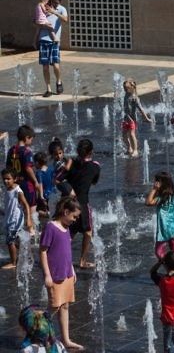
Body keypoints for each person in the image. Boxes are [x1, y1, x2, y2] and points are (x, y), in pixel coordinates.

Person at [39, 196, 83, 350]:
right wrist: (47, 275)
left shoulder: (66, 228)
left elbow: (67, 251)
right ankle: (38, 333)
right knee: (53, 307)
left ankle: (66, 339)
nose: (75, 220)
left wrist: (71, 269)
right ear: (65, 212)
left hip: (66, 274)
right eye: (74, 216)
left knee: (65, 306)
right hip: (55, 275)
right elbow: (43, 252)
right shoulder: (51, 227)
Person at [61, 139, 100, 269]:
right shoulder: (95, 166)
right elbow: (94, 182)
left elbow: (58, 179)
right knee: (88, 231)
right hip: (82, 203)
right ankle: (82, 260)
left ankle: (60, 259)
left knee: (69, 232)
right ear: (91, 152)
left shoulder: (71, 163)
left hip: (68, 203)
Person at [145, 171, 174, 260]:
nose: (154, 183)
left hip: (164, 229)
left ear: (160, 183)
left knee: (158, 252)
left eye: (156, 181)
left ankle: (169, 265)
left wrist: (154, 189)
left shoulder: (162, 198)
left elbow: (148, 202)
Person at [37, 0, 68, 98]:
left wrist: (54, 12)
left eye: (56, 2)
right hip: (43, 39)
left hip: (55, 40)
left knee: (55, 65)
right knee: (45, 66)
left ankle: (59, 81)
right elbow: (35, 20)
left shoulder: (62, 9)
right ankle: (48, 89)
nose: (54, 3)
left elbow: (65, 20)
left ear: (60, 1)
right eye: (53, 1)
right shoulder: (44, 6)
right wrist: (40, 23)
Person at [2, 168, 32, 269]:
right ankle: (25, 254)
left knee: (10, 241)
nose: (5, 181)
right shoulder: (8, 189)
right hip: (9, 218)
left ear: (15, 179)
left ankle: (13, 262)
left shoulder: (18, 191)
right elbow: (9, 205)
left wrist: (29, 220)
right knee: (14, 240)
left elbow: (26, 205)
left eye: (8, 179)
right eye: (4, 179)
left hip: (15, 220)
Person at [6, 125, 39, 216]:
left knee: (19, 207)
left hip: (16, 183)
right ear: (26, 138)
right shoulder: (26, 152)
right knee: (31, 207)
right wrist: (35, 181)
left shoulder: (11, 150)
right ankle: (32, 227)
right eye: (31, 139)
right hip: (27, 184)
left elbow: (8, 168)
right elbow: (28, 168)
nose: (31, 142)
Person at [122, 78, 152, 157]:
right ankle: (129, 148)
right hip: (126, 118)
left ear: (131, 88)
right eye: (124, 88)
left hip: (132, 119)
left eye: (126, 88)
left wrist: (146, 118)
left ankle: (135, 150)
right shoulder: (126, 95)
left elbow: (141, 109)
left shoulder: (135, 98)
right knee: (124, 135)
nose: (124, 90)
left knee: (132, 134)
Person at [34, 151, 54, 219]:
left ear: (37, 162)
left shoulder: (39, 172)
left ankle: (47, 215)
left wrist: (41, 196)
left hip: (43, 195)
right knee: (48, 208)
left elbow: (40, 184)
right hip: (51, 194)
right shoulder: (51, 169)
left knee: (35, 211)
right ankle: (49, 214)